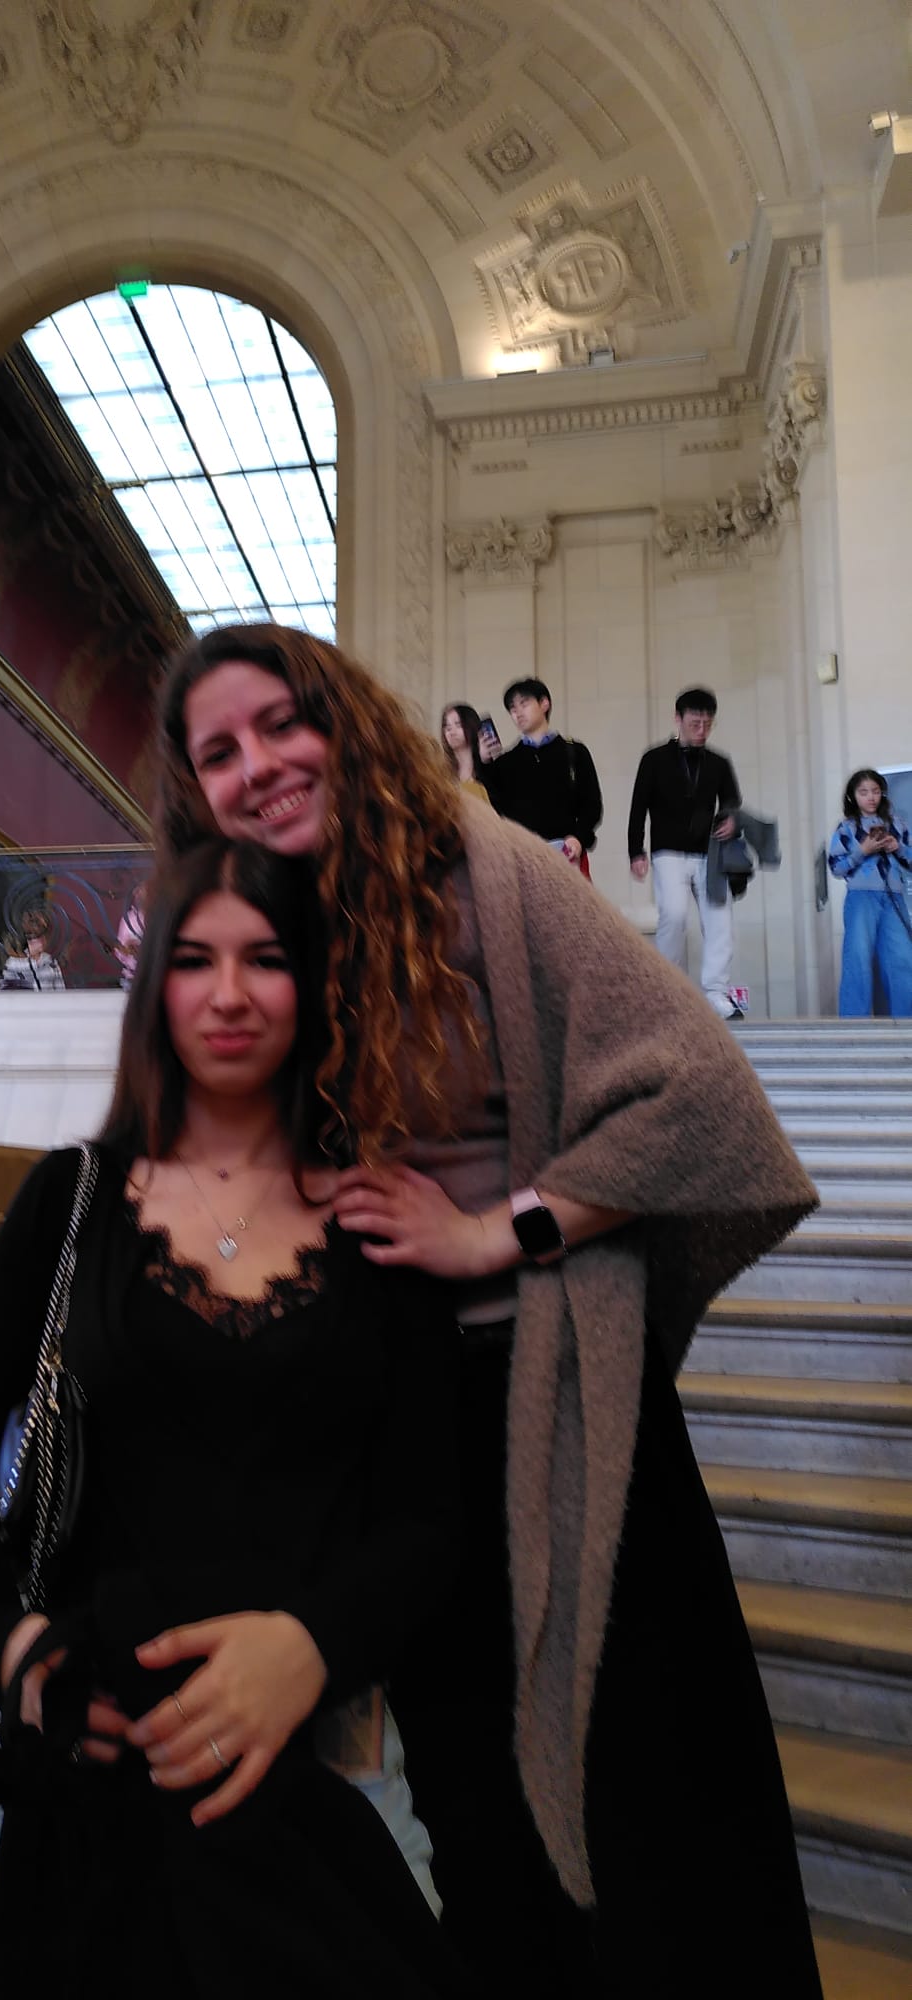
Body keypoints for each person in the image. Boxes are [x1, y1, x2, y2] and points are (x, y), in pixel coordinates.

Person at [155, 623, 822, 2000]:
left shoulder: (483, 866)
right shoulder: (265, 926)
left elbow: (702, 1091)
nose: (258, 766)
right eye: (218, 752)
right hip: (408, 1430)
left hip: (553, 1397)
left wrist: (492, 1229)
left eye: (281, 724)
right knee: (477, 1821)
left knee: (652, 1810)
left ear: (343, 723)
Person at [0, 839, 472, 1999]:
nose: (229, 993)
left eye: (265, 958)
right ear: (155, 985)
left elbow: (432, 1508)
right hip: (95, 1788)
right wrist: (4, 1644)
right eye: (195, 959)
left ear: (310, 982)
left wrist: (310, 1645)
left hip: (315, 1782)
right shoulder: (69, 1197)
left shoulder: (379, 1215)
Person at [628, 687, 744, 1019]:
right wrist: (636, 851)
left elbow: (732, 802)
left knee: (720, 920)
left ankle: (717, 992)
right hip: (667, 851)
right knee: (674, 914)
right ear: (677, 718)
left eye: (708, 723)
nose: (702, 730)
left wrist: (731, 821)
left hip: (710, 853)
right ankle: (671, 992)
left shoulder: (719, 762)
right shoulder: (654, 759)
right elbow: (638, 807)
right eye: (695, 723)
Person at [482, 676, 602, 870]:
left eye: (524, 704)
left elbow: (592, 804)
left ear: (544, 703)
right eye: (512, 708)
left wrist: (578, 838)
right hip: (521, 857)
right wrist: (484, 762)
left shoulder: (574, 751)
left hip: (566, 853)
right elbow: (491, 807)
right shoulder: (505, 762)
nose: (518, 713)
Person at [829, 768, 912, 1016]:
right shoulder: (846, 828)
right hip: (861, 897)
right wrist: (862, 851)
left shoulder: (897, 824)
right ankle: (854, 1023)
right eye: (863, 792)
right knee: (858, 959)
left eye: (875, 791)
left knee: (902, 958)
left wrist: (898, 848)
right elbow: (836, 867)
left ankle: (906, 1022)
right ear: (853, 796)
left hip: (894, 897)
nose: (871, 797)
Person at [0, 910, 65, 991]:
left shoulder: (50, 960)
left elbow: (60, 989)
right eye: (33, 937)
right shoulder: (13, 963)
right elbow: (6, 991)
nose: (41, 941)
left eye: (42, 936)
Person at [438, 702, 489, 802]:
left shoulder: (488, 768)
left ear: (471, 726)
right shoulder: (442, 771)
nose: (452, 732)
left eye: (458, 725)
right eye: (447, 727)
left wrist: (485, 761)